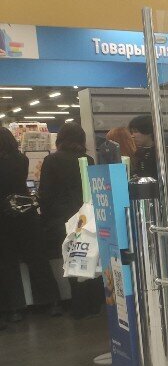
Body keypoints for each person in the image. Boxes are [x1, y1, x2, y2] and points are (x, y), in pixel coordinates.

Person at [38, 123, 102, 319]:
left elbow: (45, 194)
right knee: (89, 258)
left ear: (60, 139)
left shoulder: (51, 160)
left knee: (71, 262)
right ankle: (95, 304)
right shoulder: (88, 160)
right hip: (86, 217)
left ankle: (79, 307)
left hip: (62, 219)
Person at [0, 128, 63, 323]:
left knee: (8, 264)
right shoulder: (21, 160)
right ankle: (52, 302)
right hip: (26, 215)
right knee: (37, 260)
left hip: (3, 218)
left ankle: (15, 308)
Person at [128, 114, 157, 179]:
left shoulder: (160, 154)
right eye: (131, 132)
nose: (132, 136)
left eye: (136, 132)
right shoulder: (138, 153)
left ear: (148, 131)